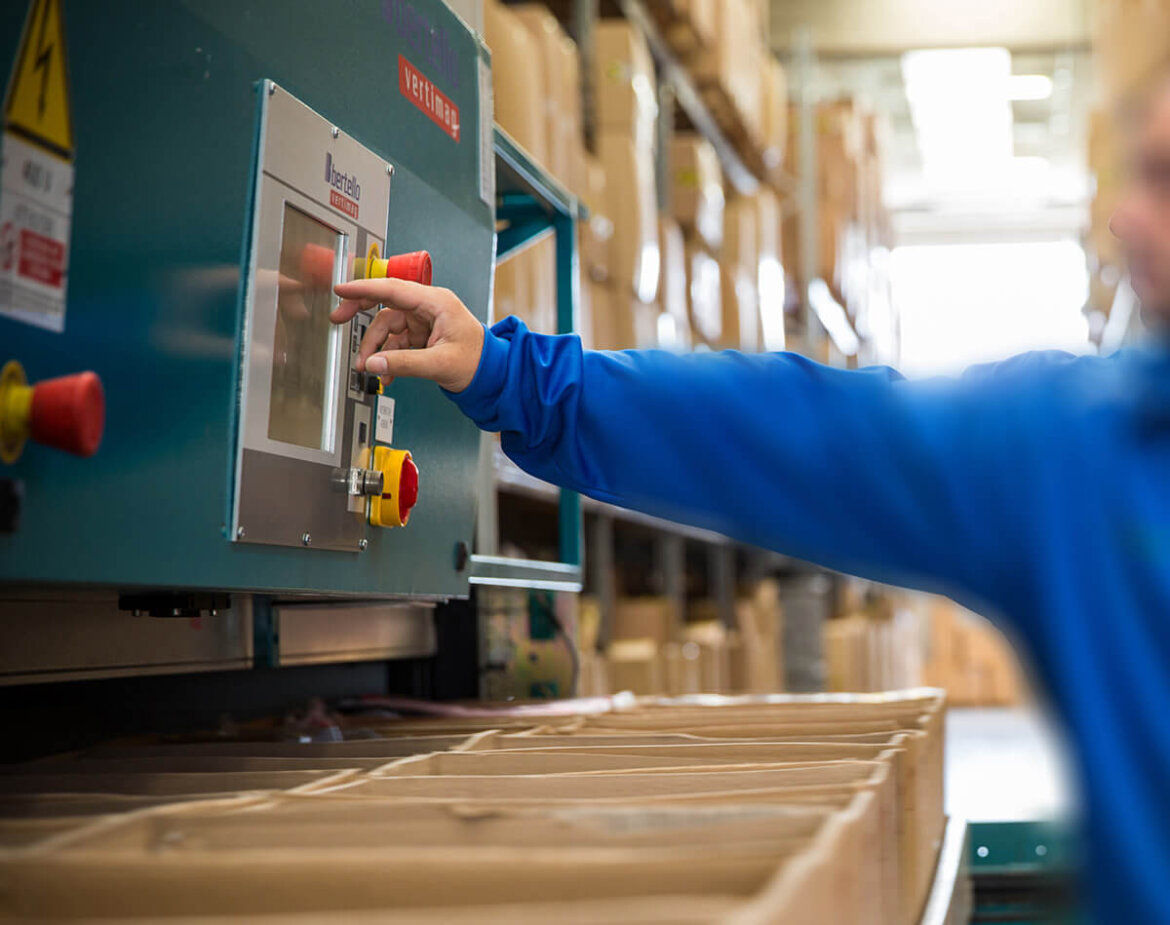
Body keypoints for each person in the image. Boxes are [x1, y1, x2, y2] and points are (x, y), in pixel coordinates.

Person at [329, 84, 1170, 923]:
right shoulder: (1080, 450)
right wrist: (510, 375)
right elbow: (797, 434)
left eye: (1164, 180)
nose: (1126, 218)